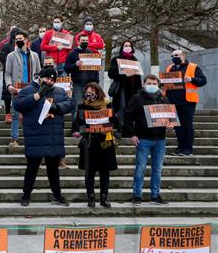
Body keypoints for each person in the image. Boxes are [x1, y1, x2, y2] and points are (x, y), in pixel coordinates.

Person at [13, 67, 74, 206]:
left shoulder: (60, 91)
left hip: (53, 136)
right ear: (40, 78)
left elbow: (70, 103)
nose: (50, 82)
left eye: (53, 80)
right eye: (47, 78)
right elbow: (18, 105)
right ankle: (26, 195)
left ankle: (57, 195)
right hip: (35, 136)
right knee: (32, 168)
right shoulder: (28, 90)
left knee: (53, 169)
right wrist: (37, 96)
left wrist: (57, 107)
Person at [124, 75, 176, 204]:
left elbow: (170, 118)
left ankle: (155, 195)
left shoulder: (164, 99)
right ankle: (137, 195)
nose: (151, 85)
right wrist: (132, 134)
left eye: (154, 83)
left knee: (157, 169)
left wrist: (171, 125)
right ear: (143, 84)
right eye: (149, 83)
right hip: (143, 138)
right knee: (140, 167)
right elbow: (128, 117)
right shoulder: (137, 98)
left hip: (160, 139)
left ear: (158, 85)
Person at [73, 82, 117, 208]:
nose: (89, 94)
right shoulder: (82, 106)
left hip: (105, 143)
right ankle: (91, 198)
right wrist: (79, 130)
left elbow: (114, 121)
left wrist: (109, 126)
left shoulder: (107, 104)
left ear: (98, 92)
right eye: (87, 92)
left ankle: (104, 198)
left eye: (92, 92)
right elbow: (78, 124)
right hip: (89, 144)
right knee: (89, 173)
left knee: (105, 173)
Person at [165, 49, 207, 156]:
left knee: (187, 125)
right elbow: (166, 84)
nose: (174, 57)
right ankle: (180, 147)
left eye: (177, 55)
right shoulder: (169, 68)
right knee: (177, 126)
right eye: (173, 55)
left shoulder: (193, 67)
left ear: (183, 55)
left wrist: (192, 79)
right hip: (173, 101)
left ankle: (188, 149)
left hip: (188, 101)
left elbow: (203, 80)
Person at [4, 30, 41, 147]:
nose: (18, 41)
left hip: (31, 89)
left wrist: (37, 85)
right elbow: (7, 74)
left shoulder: (35, 55)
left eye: (21, 39)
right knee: (15, 114)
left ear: (26, 40)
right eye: (16, 39)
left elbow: (39, 73)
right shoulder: (11, 56)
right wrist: (9, 85)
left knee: (31, 114)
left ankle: (31, 138)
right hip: (16, 89)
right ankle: (14, 139)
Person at [64, 32, 100, 137]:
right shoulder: (72, 53)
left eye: (86, 41)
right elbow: (67, 68)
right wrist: (75, 65)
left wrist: (95, 83)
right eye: (82, 40)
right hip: (78, 84)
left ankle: (87, 128)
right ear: (78, 41)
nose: (85, 42)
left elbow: (96, 70)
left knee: (89, 107)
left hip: (90, 85)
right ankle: (75, 129)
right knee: (77, 107)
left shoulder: (91, 52)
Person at [107, 40, 142, 130]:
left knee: (132, 107)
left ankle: (129, 128)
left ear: (132, 48)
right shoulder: (116, 59)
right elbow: (111, 74)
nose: (127, 47)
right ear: (122, 47)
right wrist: (124, 75)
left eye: (129, 45)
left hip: (133, 88)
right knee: (121, 107)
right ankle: (120, 127)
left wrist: (140, 89)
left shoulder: (135, 60)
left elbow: (138, 77)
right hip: (121, 88)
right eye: (125, 45)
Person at [0, 26, 20, 123]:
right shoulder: (6, 45)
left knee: (19, 92)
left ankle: (19, 112)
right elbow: (1, 56)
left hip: (20, 73)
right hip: (8, 72)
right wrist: (10, 63)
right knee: (7, 93)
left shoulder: (22, 45)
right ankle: (7, 113)